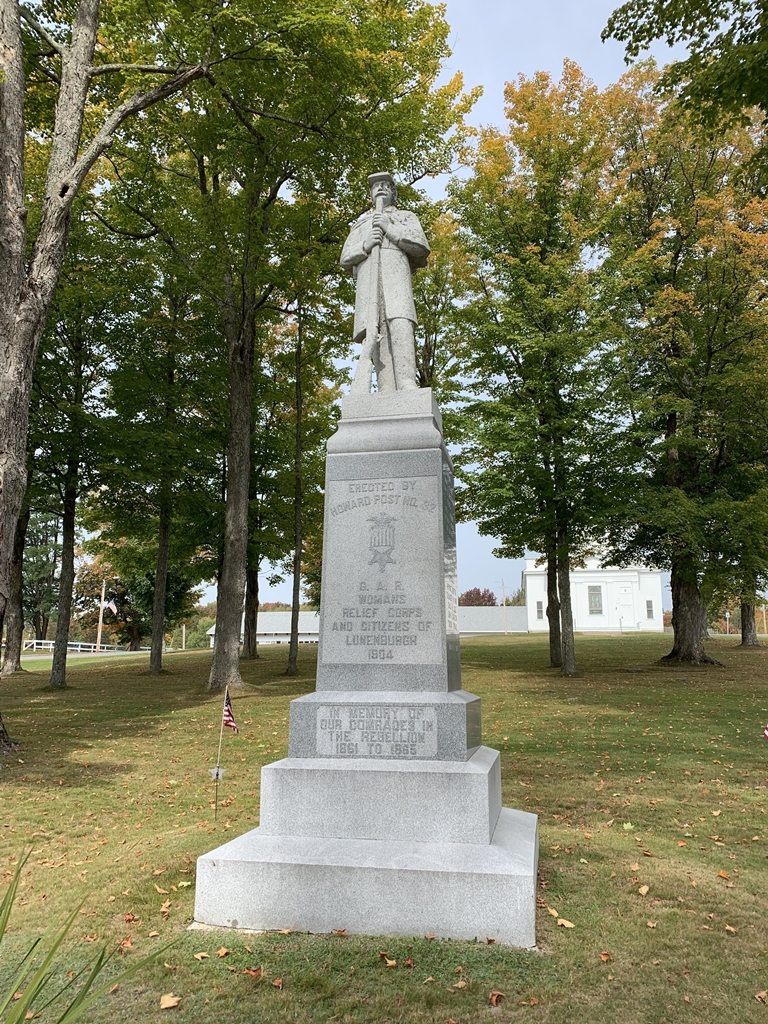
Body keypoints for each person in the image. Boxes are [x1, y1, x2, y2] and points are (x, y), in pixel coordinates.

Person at [340, 172, 430, 392]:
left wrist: (390, 228)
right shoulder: (361, 225)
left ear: (393, 192)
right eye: (375, 186)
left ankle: (407, 380)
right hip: (368, 285)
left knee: (400, 324)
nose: (380, 188)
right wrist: (365, 245)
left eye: (385, 185)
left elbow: (421, 247)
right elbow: (344, 258)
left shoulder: (405, 217)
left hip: (396, 278)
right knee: (375, 331)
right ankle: (386, 387)